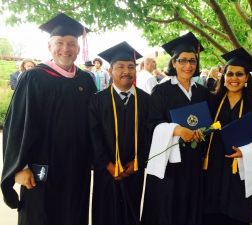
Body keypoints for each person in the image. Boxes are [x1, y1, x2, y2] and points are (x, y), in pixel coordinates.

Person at [1, 13, 96, 225]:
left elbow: (95, 123)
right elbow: (15, 125)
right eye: (60, 43)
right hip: (41, 170)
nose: (66, 48)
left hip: (77, 170)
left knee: (73, 215)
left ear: (78, 49)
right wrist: (19, 167)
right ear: (49, 46)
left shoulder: (85, 81)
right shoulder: (34, 78)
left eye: (72, 43)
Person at [141, 32, 209, 225]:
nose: (188, 66)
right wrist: (177, 130)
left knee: (191, 203)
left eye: (192, 61)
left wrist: (203, 132)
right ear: (174, 62)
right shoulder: (161, 90)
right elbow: (152, 123)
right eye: (183, 60)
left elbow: (208, 122)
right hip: (170, 161)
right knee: (169, 204)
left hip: (194, 159)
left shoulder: (203, 92)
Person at [203, 48, 252, 225]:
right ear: (223, 76)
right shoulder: (211, 101)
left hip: (239, 170)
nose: (234, 78)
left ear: (247, 78)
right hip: (212, 168)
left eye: (239, 74)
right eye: (230, 73)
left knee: (235, 216)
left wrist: (245, 152)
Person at [89, 41, 149, 225]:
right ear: (110, 72)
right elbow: (93, 135)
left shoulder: (146, 100)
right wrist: (108, 164)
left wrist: (138, 161)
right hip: (106, 171)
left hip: (134, 170)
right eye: (120, 66)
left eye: (131, 67)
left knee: (131, 214)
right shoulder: (97, 100)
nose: (127, 71)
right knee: (105, 214)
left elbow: (149, 134)